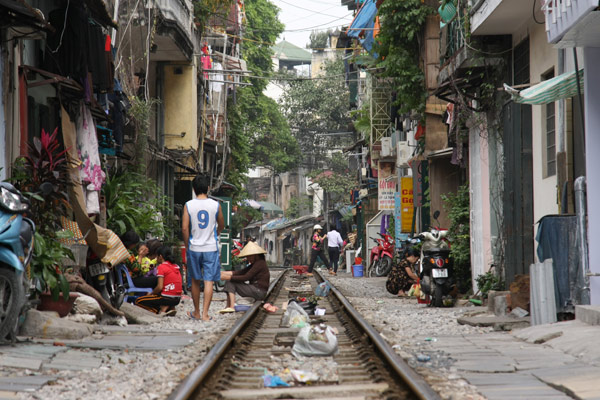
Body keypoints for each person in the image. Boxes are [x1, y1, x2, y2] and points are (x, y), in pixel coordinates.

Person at [182, 175, 225, 321]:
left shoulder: (188, 205)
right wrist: (216, 234)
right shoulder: (215, 205)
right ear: (208, 188)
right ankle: (206, 314)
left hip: (194, 248)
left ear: (194, 189)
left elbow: (184, 228)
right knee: (209, 281)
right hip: (210, 247)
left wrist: (188, 244)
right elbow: (221, 225)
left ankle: (197, 312)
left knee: (195, 280)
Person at [219, 241, 270, 312]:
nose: (248, 258)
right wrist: (223, 273)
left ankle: (232, 306)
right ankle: (228, 306)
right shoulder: (256, 263)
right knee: (230, 281)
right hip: (257, 291)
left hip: (259, 292)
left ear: (256, 255)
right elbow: (240, 272)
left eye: (250, 256)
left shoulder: (259, 263)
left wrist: (228, 277)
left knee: (230, 282)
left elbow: (246, 277)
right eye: (247, 256)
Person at [134, 246, 182, 315]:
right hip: (177, 299)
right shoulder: (175, 266)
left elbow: (159, 287)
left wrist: (151, 294)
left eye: (157, 256)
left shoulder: (161, 267)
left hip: (166, 298)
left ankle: (160, 310)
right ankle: (169, 307)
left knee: (138, 301)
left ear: (160, 256)